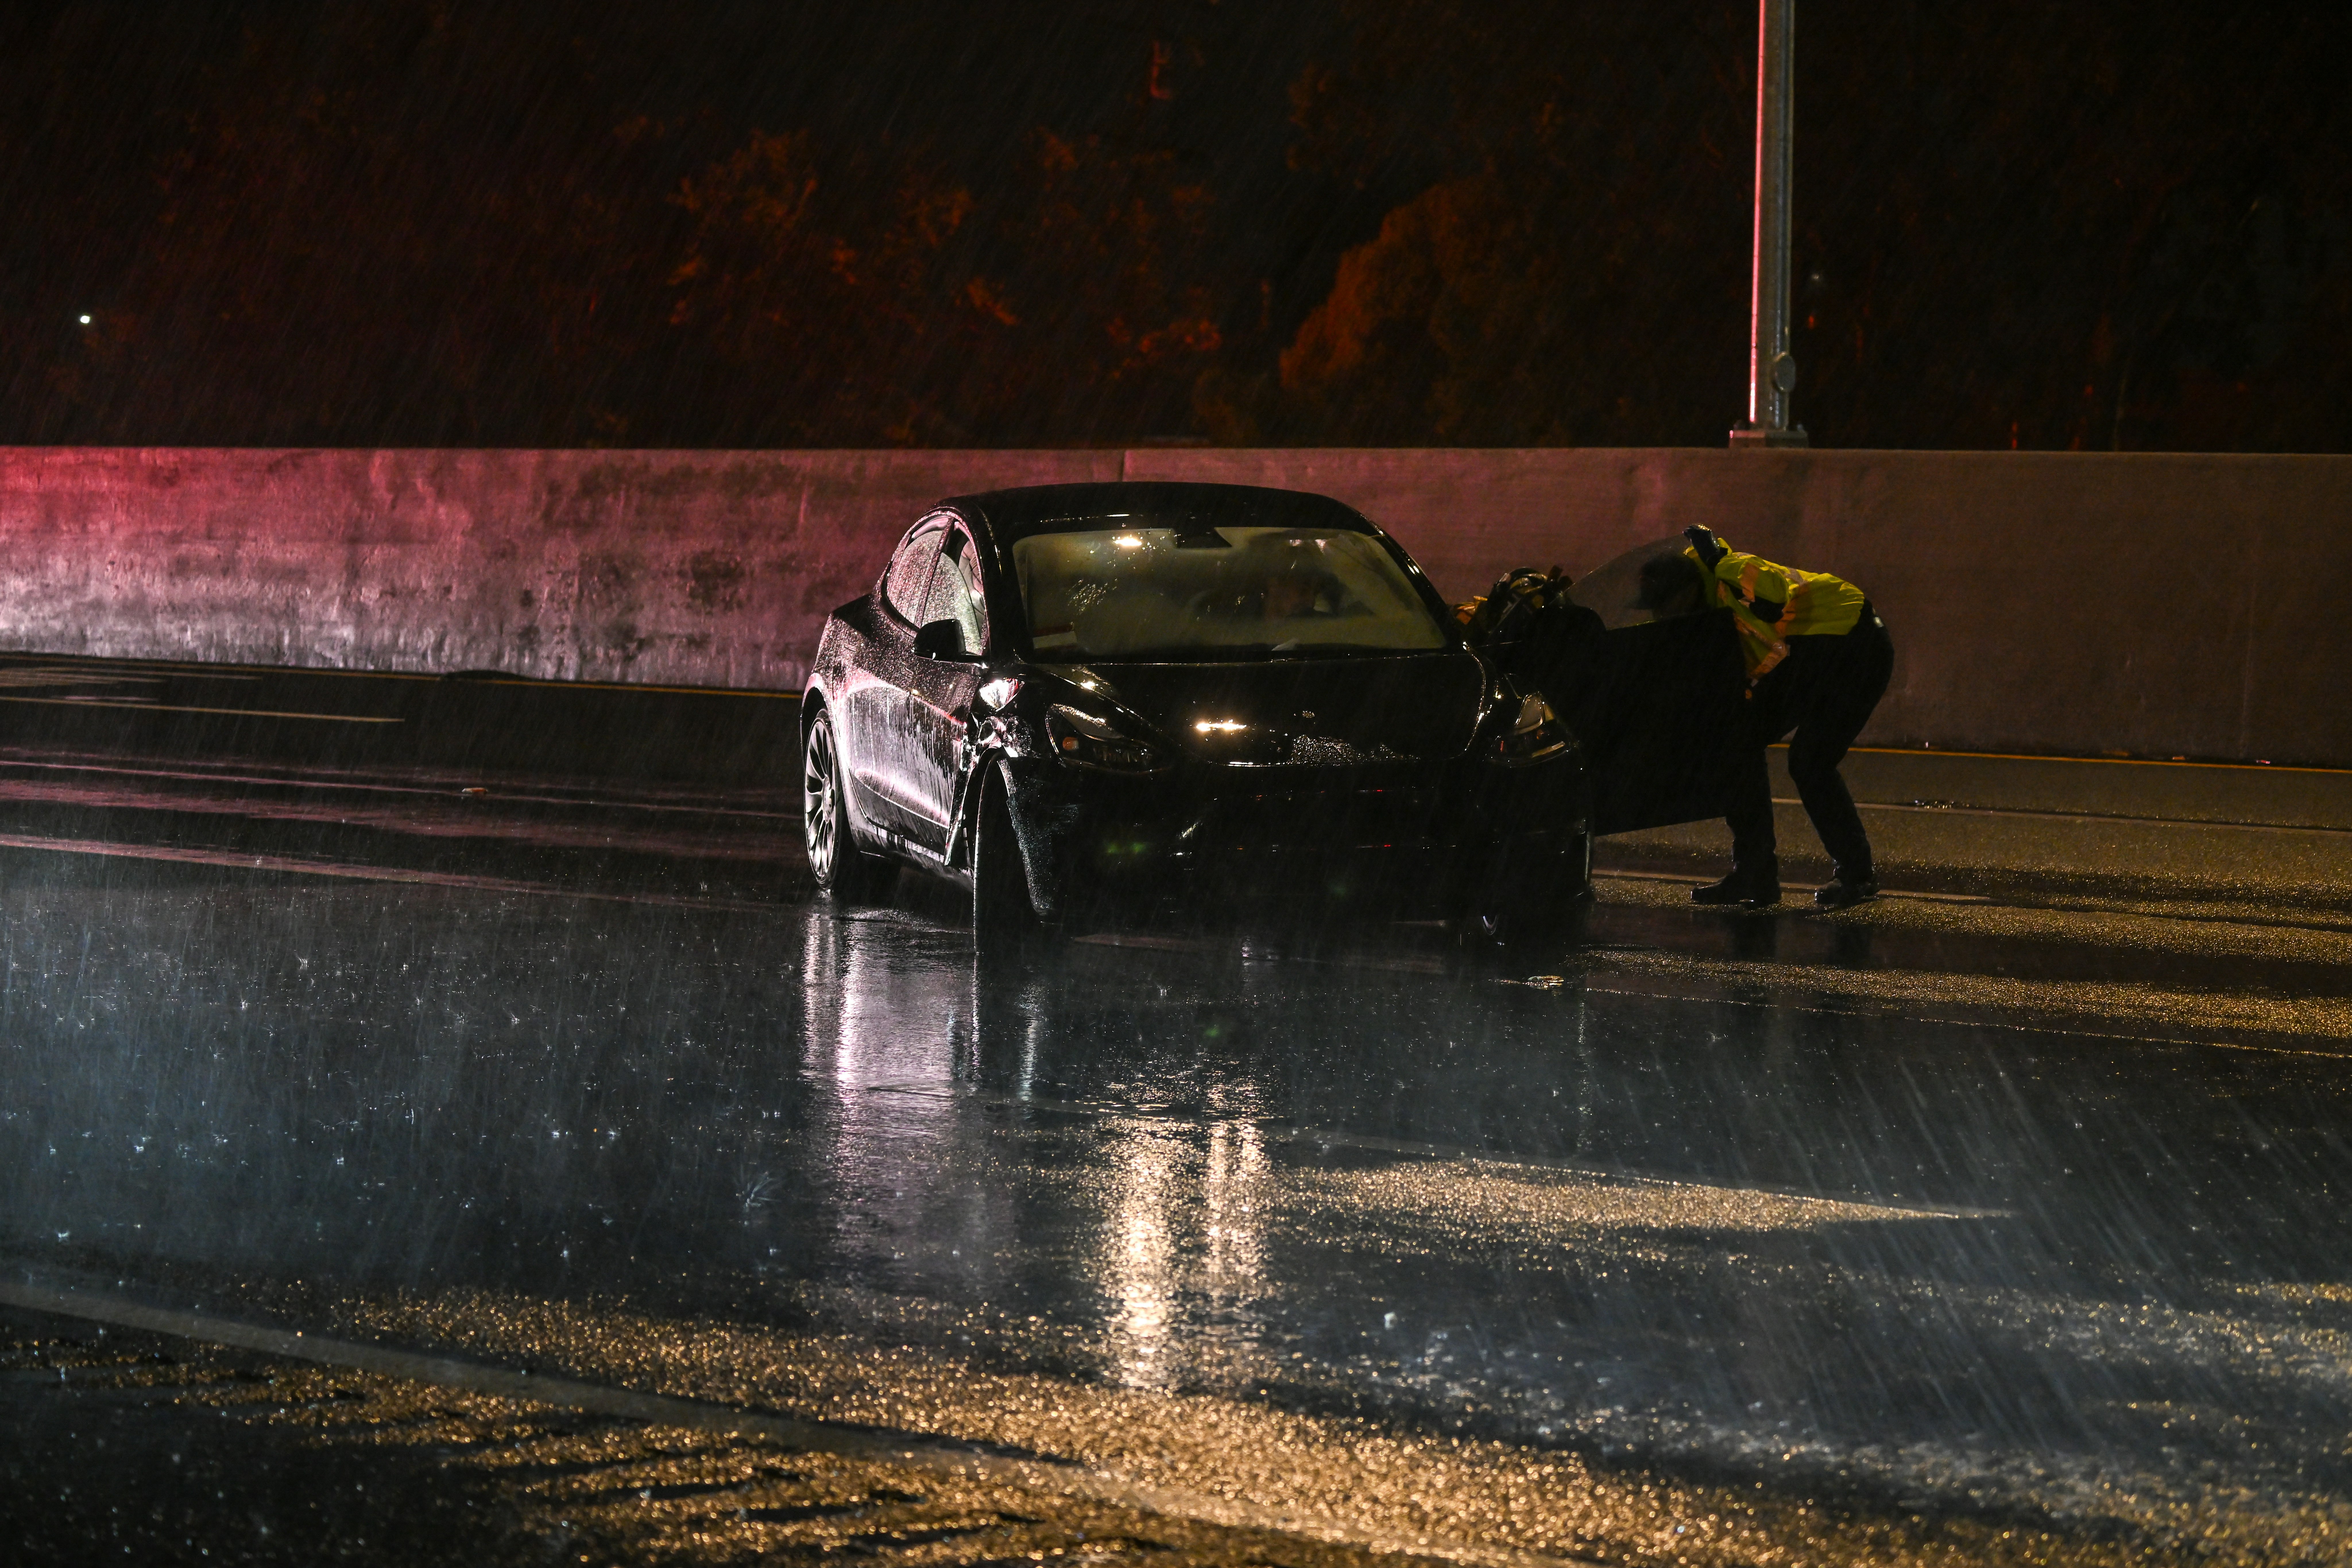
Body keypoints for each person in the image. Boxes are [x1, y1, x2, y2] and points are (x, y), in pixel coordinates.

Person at [1647, 526, 1894, 909]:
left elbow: (1773, 592)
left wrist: (1720, 560)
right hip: (1808, 655)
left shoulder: (1732, 574)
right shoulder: (1705, 614)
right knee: (1736, 743)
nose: (1660, 616)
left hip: (1853, 644)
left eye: (1664, 606)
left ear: (1684, 593)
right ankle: (1756, 874)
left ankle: (1858, 875)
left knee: (1810, 762)